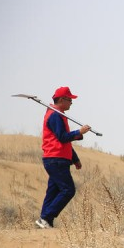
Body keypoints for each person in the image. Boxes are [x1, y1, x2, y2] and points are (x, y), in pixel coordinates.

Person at [36, 87, 91, 229]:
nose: (71, 103)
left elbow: (64, 141)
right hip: (55, 159)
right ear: (61, 100)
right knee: (68, 190)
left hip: (58, 159)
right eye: (69, 99)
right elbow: (62, 137)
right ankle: (46, 217)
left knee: (53, 190)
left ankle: (45, 221)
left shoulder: (58, 114)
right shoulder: (54, 115)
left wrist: (75, 159)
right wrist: (79, 131)